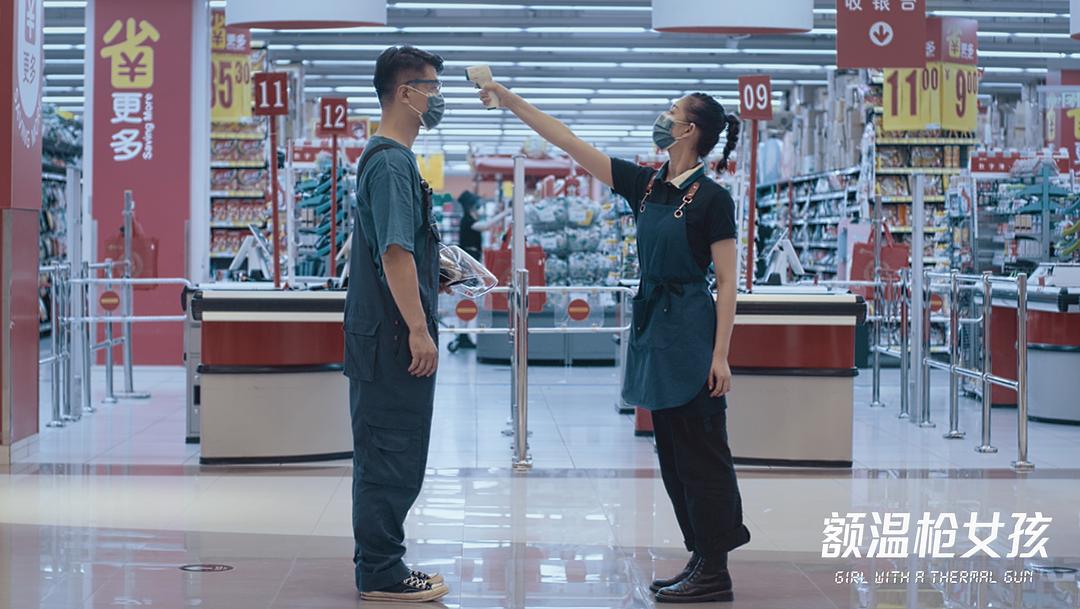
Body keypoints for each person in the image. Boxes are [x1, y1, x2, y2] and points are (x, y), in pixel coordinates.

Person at [479, 82, 751, 603]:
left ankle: (716, 566)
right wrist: (510, 101)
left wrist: (720, 354)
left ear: (689, 130)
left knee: (702, 453)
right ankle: (699, 555)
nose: (663, 116)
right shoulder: (646, 185)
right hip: (655, 330)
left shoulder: (714, 199)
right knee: (672, 456)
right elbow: (568, 141)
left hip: (691, 333)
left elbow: (727, 281)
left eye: (671, 111)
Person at [342, 45, 450, 603]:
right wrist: (418, 327)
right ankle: (382, 571)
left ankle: (378, 561)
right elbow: (394, 253)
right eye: (432, 88)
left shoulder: (392, 159)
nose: (439, 99)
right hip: (391, 341)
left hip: (383, 334)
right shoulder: (389, 163)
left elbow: (401, 251)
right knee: (390, 453)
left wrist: (437, 277)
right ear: (406, 93)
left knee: (390, 450)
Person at [448, 190, 510, 351]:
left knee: (468, 299)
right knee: (466, 298)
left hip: (470, 265)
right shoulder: (467, 220)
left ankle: (464, 334)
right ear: (471, 206)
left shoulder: (471, 219)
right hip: (466, 267)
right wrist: (505, 213)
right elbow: (485, 226)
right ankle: (462, 335)